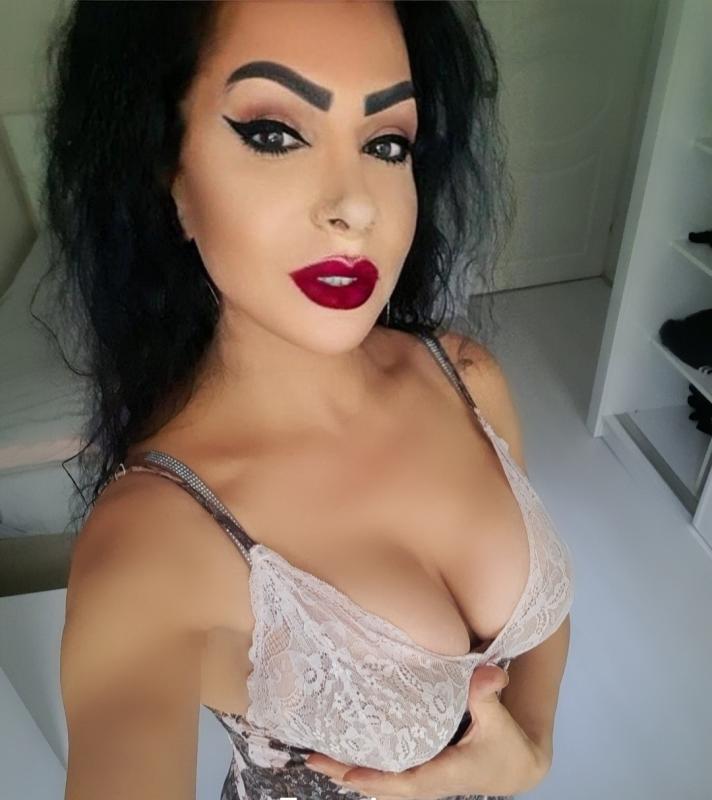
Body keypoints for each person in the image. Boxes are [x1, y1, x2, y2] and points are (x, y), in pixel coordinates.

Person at [39, 2, 574, 798]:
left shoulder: (465, 376)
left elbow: (542, 617)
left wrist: (532, 747)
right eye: (274, 134)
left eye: (386, 144)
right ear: (169, 174)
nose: (355, 206)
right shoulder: (153, 544)